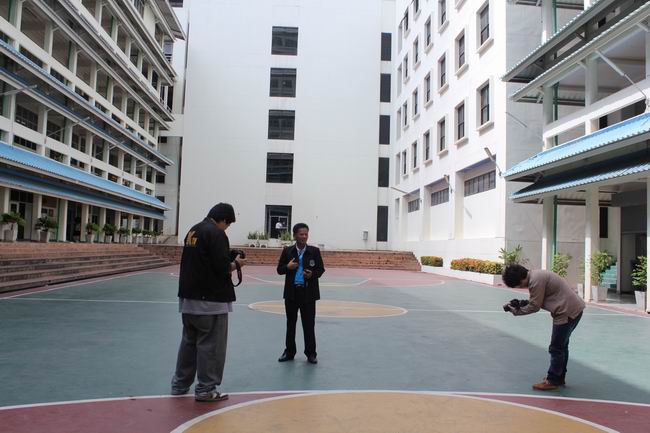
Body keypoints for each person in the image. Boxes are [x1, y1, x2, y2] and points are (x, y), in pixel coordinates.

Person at [171, 203, 246, 402]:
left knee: (188, 345)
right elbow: (221, 267)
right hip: (210, 302)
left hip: (188, 300)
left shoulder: (193, 230)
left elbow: (204, 260)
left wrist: (228, 255)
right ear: (224, 219)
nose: (227, 228)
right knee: (211, 347)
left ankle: (179, 385)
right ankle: (206, 389)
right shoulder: (217, 233)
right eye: (228, 224)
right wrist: (236, 263)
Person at [502, 264, 585, 391]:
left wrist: (516, 311)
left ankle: (552, 380)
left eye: (518, 285)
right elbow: (538, 300)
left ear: (520, 279)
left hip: (566, 312)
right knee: (562, 346)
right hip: (572, 309)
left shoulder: (535, 281)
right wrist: (522, 303)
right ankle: (559, 377)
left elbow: (534, 306)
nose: (521, 287)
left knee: (556, 348)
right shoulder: (537, 275)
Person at [276, 223, 325, 364]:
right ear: (295, 235)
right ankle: (289, 352)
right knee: (291, 324)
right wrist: (288, 267)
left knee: (309, 325)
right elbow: (279, 270)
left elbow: (321, 270)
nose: (304, 236)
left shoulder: (314, 251)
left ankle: (311, 353)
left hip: (308, 294)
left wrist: (312, 274)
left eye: (306, 234)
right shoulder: (287, 251)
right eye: (301, 234)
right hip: (292, 294)